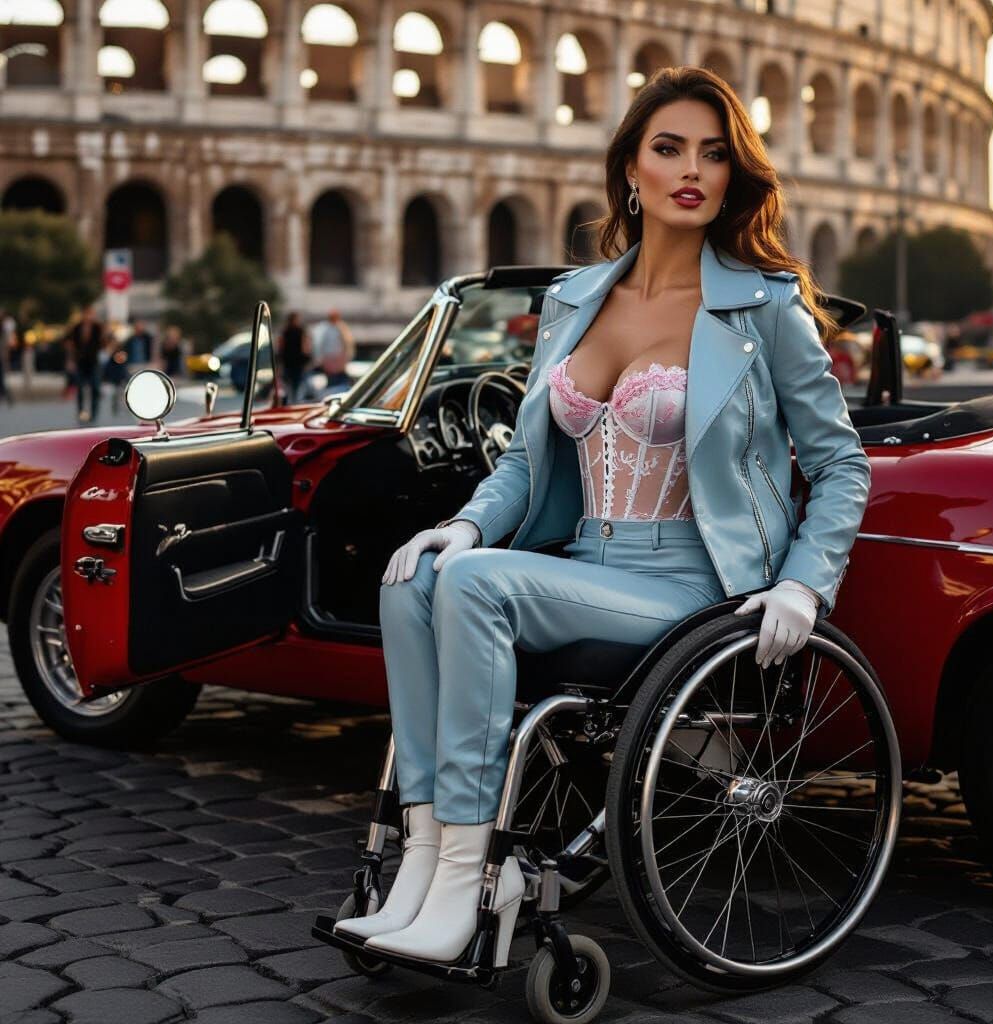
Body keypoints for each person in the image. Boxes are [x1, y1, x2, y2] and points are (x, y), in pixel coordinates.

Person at [336, 66, 871, 968]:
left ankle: (463, 881)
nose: (690, 169)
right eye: (668, 149)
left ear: (735, 175)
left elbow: (839, 463)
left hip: (694, 590)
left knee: (474, 585)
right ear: (630, 168)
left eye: (712, 152)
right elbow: (524, 460)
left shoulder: (765, 306)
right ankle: (424, 863)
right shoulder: (575, 299)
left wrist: (804, 586)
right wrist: (465, 524)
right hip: (586, 561)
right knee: (415, 574)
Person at [65, 306, 104, 424]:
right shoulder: (76, 328)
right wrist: (71, 360)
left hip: (93, 361)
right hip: (80, 361)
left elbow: (104, 342)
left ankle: (94, 414)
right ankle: (81, 412)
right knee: (80, 389)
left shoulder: (98, 328)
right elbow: (70, 344)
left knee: (95, 388)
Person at [276, 311, 312, 405]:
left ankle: (293, 402)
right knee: (293, 385)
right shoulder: (293, 331)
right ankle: (293, 402)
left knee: (293, 385)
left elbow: (280, 346)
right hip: (293, 363)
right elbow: (306, 346)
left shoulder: (287, 331)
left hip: (294, 362)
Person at [318, 308, 356, 390]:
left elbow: (347, 344)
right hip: (329, 362)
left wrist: (345, 358)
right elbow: (322, 345)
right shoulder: (325, 329)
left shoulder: (342, 328)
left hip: (339, 361)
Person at [0, 307, 15, 406]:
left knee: (2, 376)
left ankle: (6, 395)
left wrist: (6, 354)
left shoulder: (6, 325)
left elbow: (8, 342)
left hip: (1, 354)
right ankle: (5, 395)